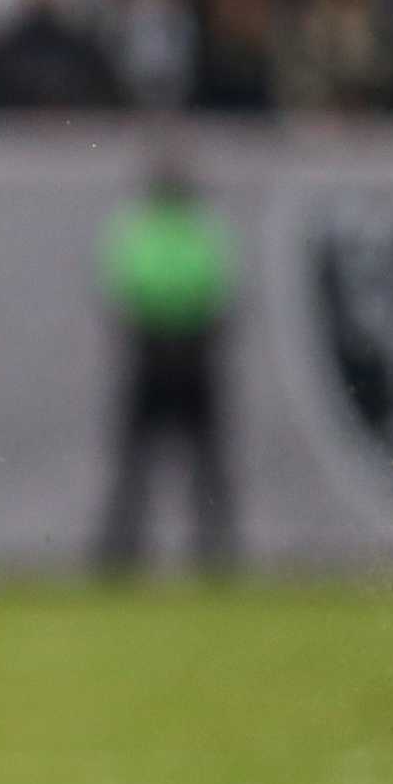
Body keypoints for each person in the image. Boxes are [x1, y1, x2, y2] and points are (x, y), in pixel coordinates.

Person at [93, 157, 236, 571]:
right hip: (178, 354)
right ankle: (203, 554)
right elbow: (219, 292)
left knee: (156, 466)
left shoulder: (142, 230)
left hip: (162, 354)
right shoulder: (198, 230)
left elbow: (124, 292)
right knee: (179, 466)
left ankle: (130, 554)